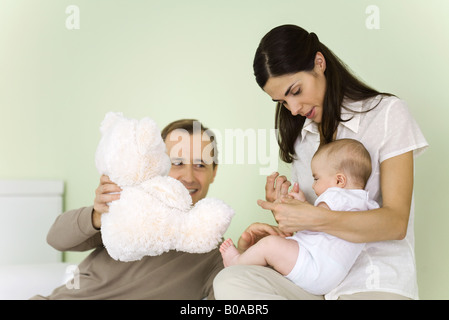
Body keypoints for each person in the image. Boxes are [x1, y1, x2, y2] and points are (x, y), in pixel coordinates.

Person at [213, 24, 428, 300]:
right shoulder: (302, 139)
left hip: (373, 281)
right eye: (282, 101)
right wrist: (285, 215)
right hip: (314, 282)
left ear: (319, 62)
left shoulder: (387, 114)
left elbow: (395, 223)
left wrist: (316, 217)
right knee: (231, 280)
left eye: (296, 90)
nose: (293, 109)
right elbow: (309, 230)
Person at [31, 119, 223, 300]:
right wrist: (98, 215)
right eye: (177, 163)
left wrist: (248, 257)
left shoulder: (214, 251)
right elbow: (56, 239)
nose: (188, 177)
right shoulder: (128, 208)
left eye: (200, 165)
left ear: (213, 172)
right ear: (157, 164)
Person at [220, 139, 379, 295]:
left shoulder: (336, 195)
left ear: (339, 180)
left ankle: (236, 262)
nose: (313, 185)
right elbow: (323, 222)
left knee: (269, 245)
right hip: (328, 276)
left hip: (314, 266)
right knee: (276, 249)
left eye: (316, 178)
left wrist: (295, 207)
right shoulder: (366, 206)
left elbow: (312, 219)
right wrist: (302, 203)